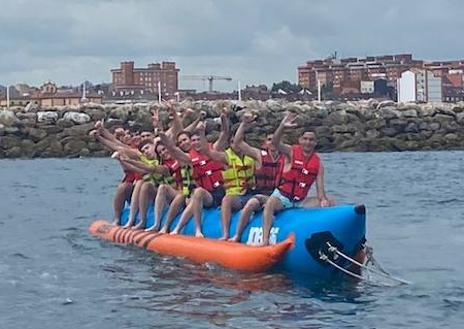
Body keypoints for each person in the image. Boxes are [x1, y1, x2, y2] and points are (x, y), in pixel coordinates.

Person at [260, 112, 331, 245]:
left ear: (315, 142)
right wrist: (282, 126)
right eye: (305, 139)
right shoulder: (291, 152)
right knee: (270, 203)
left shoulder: (318, 164)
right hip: (282, 198)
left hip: (300, 201)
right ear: (300, 140)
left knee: (330, 203)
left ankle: (326, 239)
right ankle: (265, 240)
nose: (308, 142)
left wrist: (324, 201)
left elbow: (321, 193)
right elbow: (275, 142)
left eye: (311, 140)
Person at [159, 111, 230, 237]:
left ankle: (177, 227)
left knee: (195, 193)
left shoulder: (214, 149)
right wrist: (163, 137)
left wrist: (223, 117)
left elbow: (225, 133)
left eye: (198, 139)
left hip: (222, 191)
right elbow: (174, 150)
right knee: (197, 192)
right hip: (208, 195)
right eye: (193, 141)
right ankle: (197, 229)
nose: (196, 142)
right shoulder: (189, 157)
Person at [228, 112, 285, 242]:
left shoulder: (285, 157)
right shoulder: (259, 155)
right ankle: (237, 235)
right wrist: (244, 124)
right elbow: (238, 141)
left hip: (279, 196)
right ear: (265, 143)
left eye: (275, 139)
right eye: (269, 140)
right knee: (250, 204)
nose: (273, 142)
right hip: (261, 194)